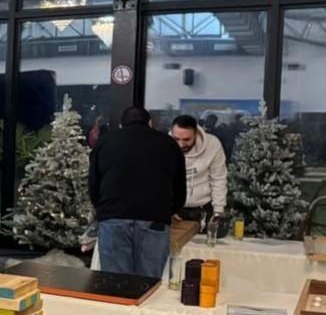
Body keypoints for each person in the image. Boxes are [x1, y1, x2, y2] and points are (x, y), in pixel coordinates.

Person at [89, 106, 186, 279]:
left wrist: (103, 209)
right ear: (150, 123)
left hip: (113, 216)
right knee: (149, 282)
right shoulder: (168, 143)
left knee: (116, 282)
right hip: (155, 218)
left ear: (121, 124)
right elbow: (179, 186)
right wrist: (169, 210)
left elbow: (94, 183)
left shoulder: (105, 142)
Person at [169, 114, 228, 224]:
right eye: (176, 139)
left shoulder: (212, 144)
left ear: (195, 134)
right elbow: (159, 181)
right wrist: (167, 209)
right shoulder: (164, 144)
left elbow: (218, 179)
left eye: (186, 139)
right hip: (174, 209)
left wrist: (218, 211)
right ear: (172, 133)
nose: (181, 144)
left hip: (203, 209)